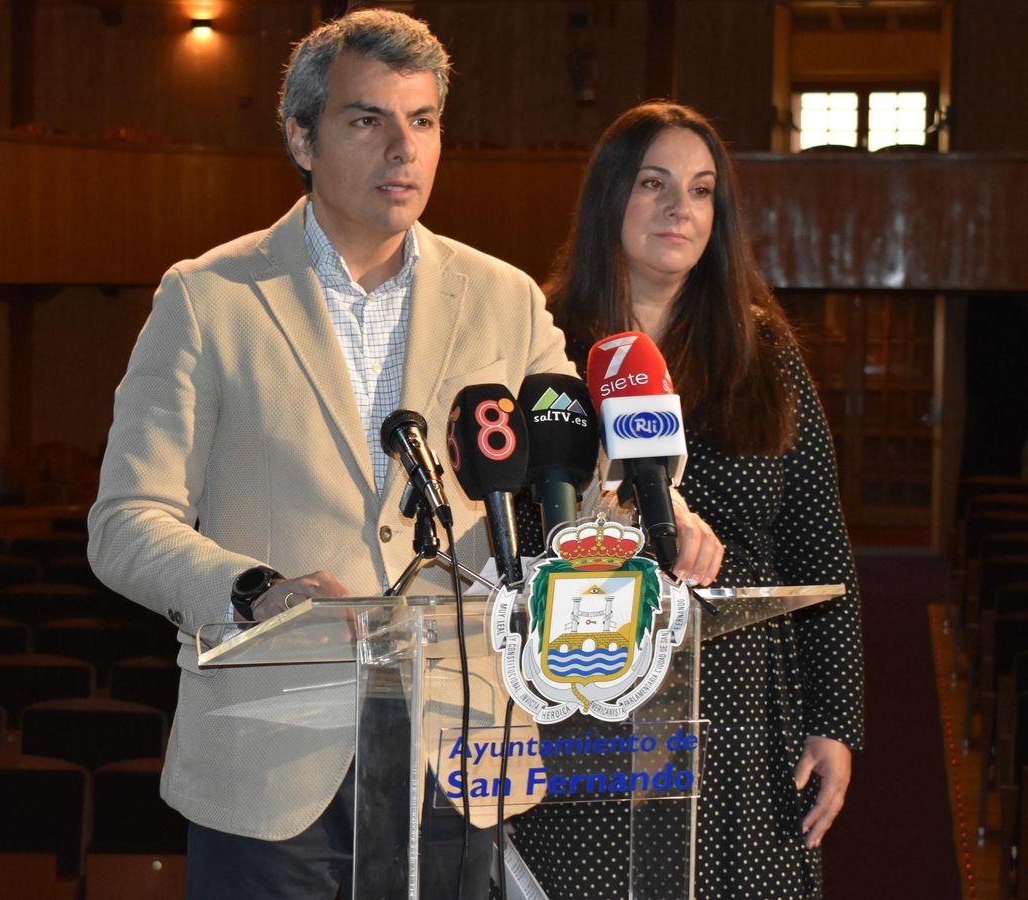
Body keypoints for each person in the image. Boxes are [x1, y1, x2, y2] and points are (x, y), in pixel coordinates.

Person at [87, 13, 719, 899]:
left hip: (462, 758)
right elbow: (124, 524)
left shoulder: (501, 299)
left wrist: (656, 514)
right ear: (300, 138)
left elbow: (585, 465)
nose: (403, 149)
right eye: (367, 120)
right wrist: (255, 589)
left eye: (422, 122)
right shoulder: (208, 298)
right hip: (274, 764)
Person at [507, 101, 865, 899]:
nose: (681, 208)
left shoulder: (763, 349)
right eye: (654, 183)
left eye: (702, 191)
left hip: (742, 706)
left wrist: (835, 722)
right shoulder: (539, 342)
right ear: (609, 199)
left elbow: (820, 548)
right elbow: (507, 526)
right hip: (585, 700)